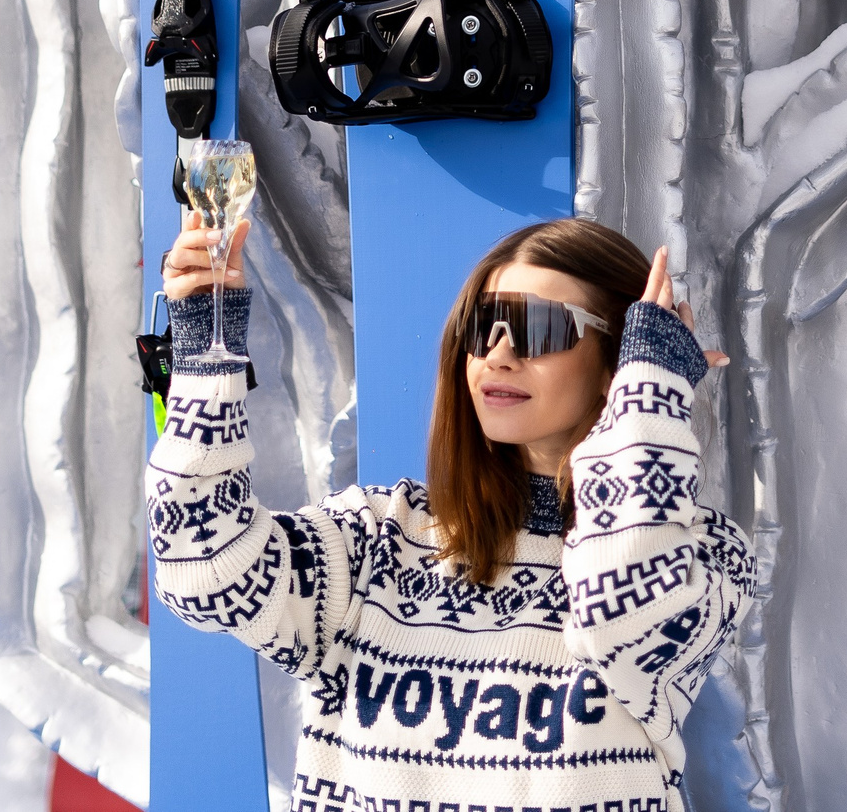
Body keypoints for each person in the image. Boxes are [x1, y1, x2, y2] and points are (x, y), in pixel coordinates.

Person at [147, 212, 752, 812]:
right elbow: (208, 572)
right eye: (482, 326)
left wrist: (647, 403)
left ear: (616, 364)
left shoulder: (704, 559)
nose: (500, 354)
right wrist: (207, 350)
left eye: (539, 328)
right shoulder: (381, 539)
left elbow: (624, 604)